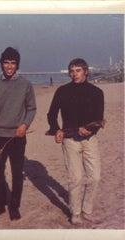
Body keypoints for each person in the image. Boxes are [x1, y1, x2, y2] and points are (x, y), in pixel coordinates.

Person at [47, 58, 104, 225]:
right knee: (76, 178)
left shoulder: (96, 92)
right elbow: (51, 114)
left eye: (78, 70)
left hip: (90, 140)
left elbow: (99, 118)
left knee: (95, 177)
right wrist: (56, 129)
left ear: (86, 71)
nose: (74, 74)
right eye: (71, 71)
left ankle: (87, 210)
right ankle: (76, 213)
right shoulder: (62, 91)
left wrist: (91, 130)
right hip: (70, 140)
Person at [0, 47, 36, 221]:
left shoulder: (26, 84)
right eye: (6, 62)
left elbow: (31, 108)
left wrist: (25, 124)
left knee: (16, 172)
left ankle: (14, 207)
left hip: (18, 135)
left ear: (17, 65)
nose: (9, 66)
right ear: (1, 64)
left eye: (13, 63)